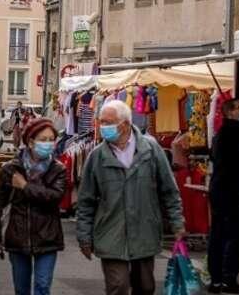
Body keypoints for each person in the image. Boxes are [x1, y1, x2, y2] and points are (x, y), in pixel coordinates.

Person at [77, 100, 184, 295]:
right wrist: (84, 237)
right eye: (101, 122)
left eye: (108, 122)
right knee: (118, 286)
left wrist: (177, 223)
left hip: (144, 231)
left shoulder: (151, 150)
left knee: (145, 287)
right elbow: (86, 201)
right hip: (110, 233)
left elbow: (169, 190)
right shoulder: (96, 156)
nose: (103, 127)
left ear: (125, 124)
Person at [0, 117, 65, 295]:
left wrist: (25, 187)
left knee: (42, 286)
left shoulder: (58, 169)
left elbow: (54, 197)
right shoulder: (11, 169)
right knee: (21, 289)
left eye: (52, 140)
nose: (49, 144)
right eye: (43, 140)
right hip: (18, 236)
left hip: (47, 236)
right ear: (30, 141)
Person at [208, 99, 239, 293]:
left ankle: (216, 280)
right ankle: (229, 280)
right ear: (230, 112)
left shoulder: (221, 134)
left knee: (218, 235)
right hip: (230, 192)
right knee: (234, 236)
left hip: (219, 190)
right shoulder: (234, 130)